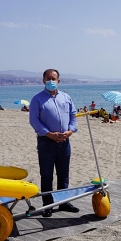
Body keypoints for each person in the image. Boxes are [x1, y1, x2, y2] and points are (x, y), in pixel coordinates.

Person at [29, 68, 79, 218]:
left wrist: (70, 131)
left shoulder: (66, 97)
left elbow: (73, 116)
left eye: (54, 78)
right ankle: (47, 204)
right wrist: (49, 134)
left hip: (64, 141)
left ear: (59, 80)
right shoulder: (37, 99)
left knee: (63, 174)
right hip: (46, 142)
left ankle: (63, 202)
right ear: (43, 81)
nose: (51, 81)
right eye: (48, 78)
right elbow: (33, 120)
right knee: (46, 175)